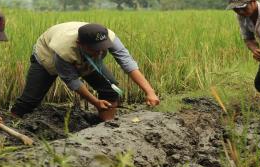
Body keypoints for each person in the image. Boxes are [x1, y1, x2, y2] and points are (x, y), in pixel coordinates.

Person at [10, 22, 160, 121]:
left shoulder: (110, 38)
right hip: (47, 56)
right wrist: (95, 102)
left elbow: (128, 64)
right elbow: (72, 81)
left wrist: (149, 91)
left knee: (110, 90)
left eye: (102, 48)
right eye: (95, 49)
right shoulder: (63, 49)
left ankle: (107, 126)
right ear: (80, 44)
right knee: (30, 101)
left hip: (81, 57)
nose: (99, 52)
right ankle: (12, 125)